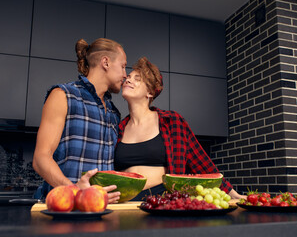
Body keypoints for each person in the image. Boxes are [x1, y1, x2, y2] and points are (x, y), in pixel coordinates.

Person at [114, 57, 246, 200]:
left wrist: (233, 194)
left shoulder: (171, 121)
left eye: (137, 78)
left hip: (162, 198)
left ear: (150, 92)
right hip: (124, 200)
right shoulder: (119, 127)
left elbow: (200, 160)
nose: (128, 80)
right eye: (128, 76)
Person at [32, 38, 126, 203]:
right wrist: (75, 192)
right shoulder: (64, 95)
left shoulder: (113, 112)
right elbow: (41, 159)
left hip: (101, 208)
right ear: (106, 62)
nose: (125, 75)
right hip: (63, 208)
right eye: (123, 66)